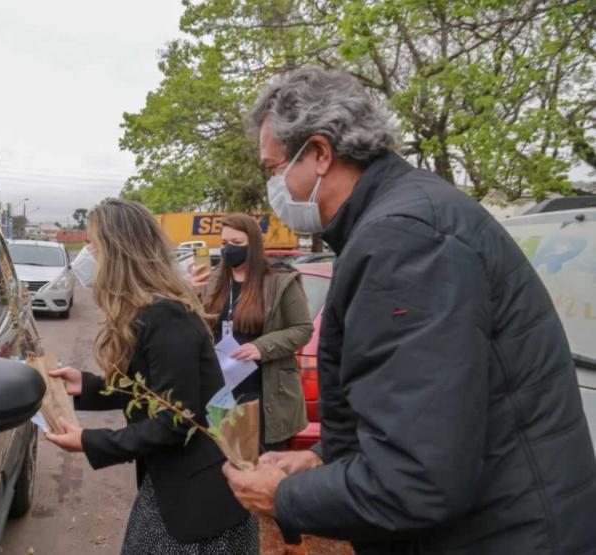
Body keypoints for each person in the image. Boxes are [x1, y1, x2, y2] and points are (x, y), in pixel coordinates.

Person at [222, 66, 596, 554]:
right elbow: (413, 416)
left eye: (275, 169)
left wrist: (287, 497)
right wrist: (322, 458)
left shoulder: (405, 241)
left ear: (318, 153)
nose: (276, 189)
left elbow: (418, 479)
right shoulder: (406, 217)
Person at [45, 199, 259, 554]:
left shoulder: (165, 317)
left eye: (93, 244)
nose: (87, 253)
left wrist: (90, 440)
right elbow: (154, 389)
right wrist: (88, 385)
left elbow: (174, 421)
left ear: (117, 252)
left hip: (199, 503)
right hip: (174, 488)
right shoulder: (151, 311)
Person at [191, 213, 313, 452]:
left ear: (254, 244)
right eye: (224, 244)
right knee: (221, 470)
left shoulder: (279, 281)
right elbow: (193, 328)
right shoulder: (213, 280)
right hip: (220, 393)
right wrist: (190, 292)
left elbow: (302, 329)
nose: (228, 250)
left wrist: (261, 347)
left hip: (264, 396)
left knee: (260, 474)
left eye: (236, 244)